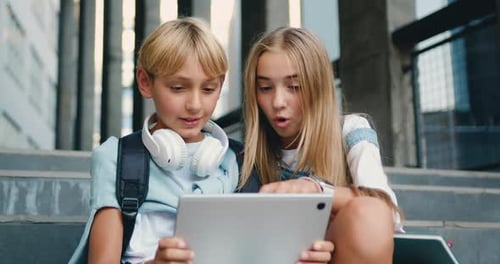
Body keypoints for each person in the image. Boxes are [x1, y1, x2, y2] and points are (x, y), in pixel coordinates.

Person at [69, 17, 333, 264]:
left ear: (221, 86)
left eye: (208, 89)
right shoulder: (118, 159)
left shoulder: (241, 163)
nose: (195, 105)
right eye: (178, 88)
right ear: (145, 82)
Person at [239, 26, 403, 264]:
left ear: (318, 87)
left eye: (294, 87)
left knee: (370, 214)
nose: (277, 102)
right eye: (265, 88)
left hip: (343, 252)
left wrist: (316, 190)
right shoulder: (246, 156)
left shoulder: (351, 130)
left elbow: (387, 214)